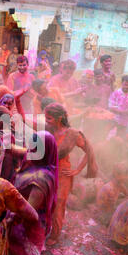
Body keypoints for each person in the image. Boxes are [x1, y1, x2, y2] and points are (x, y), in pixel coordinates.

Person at [44, 103, 98, 245]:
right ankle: (44, 227)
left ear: (59, 118)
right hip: (48, 170)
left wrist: (77, 170)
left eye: (49, 118)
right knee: (46, 202)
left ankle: (55, 234)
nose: (46, 121)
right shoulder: (48, 128)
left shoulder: (73, 134)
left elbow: (89, 151)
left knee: (58, 205)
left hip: (63, 173)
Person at [9, 131, 58, 255]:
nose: (29, 149)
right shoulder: (34, 158)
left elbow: (28, 211)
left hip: (27, 229)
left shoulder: (42, 179)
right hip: (15, 222)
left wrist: (6, 217)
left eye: (33, 147)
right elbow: (14, 149)